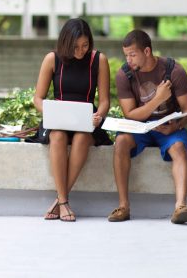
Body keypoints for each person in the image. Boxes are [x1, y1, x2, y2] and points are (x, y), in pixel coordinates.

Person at [109, 30, 187, 224]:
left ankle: (181, 206)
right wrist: (157, 99)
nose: (128, 60)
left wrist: (176, 126)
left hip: (168, 127)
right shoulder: (125, 74)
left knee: (179, 149)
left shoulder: (174, 71)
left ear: (146, 51)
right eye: (126, 55)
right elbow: (130, 114)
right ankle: (123, 206)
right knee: (121, 141)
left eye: (132, 55)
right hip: (140, 128)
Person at [31, 18, 111, 222]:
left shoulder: (98, 60)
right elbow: (37, 98)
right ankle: (64, 201)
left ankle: (60, 201)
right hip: (57, 118)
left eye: (85, 45)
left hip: (87, 120)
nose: (81, 51)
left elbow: (104, 101)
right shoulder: (52, 59)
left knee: (83, 137)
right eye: (76, 46)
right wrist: (49, 111)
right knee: (57, 136)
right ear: (66, 42)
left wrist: (99, 116)